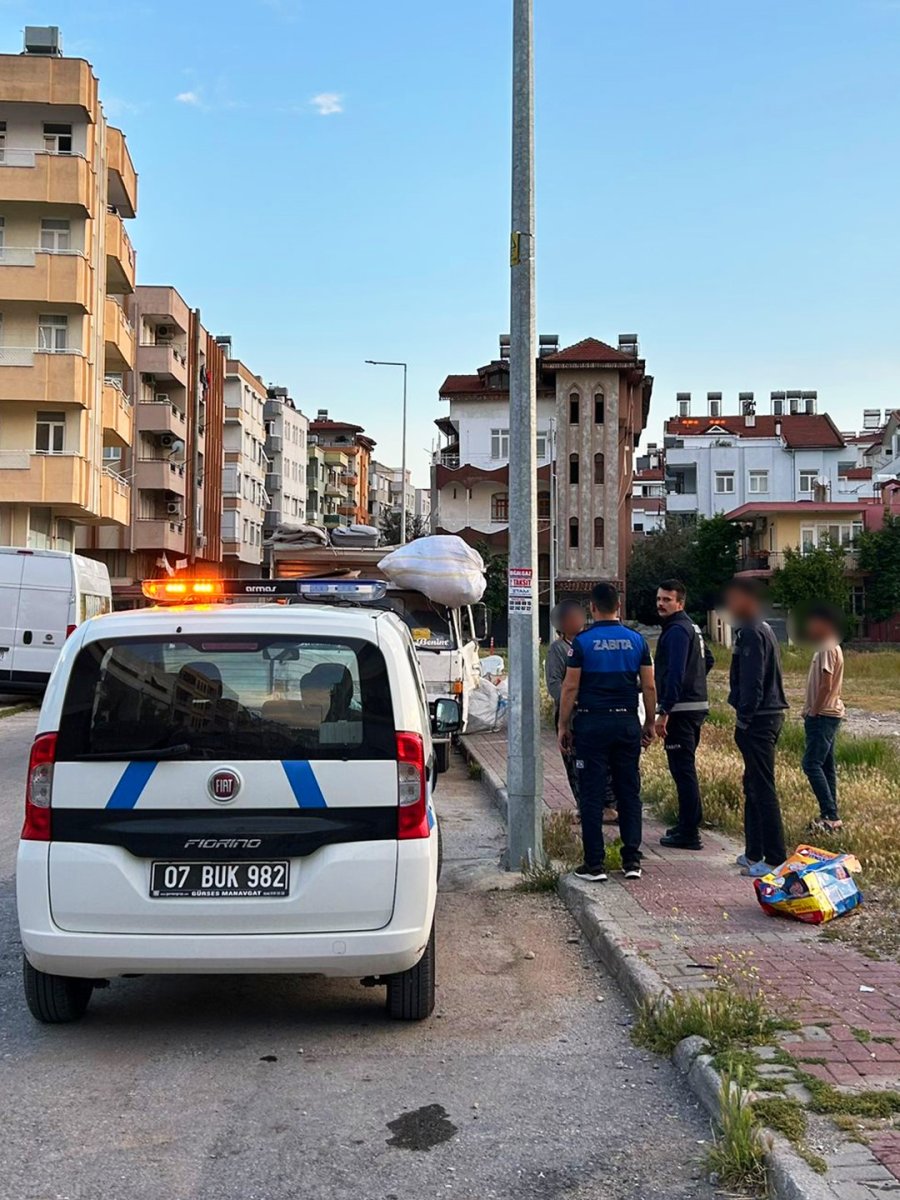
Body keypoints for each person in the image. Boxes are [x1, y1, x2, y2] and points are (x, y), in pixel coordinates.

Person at [558, 582, 656, 882]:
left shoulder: (583, 643)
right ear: (619, 608)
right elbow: (649, 686)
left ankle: (595, 864)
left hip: (591, 724)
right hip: (626, 722)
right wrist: (649, 722)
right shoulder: (637, 641)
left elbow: (571, 686)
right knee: (629, 792)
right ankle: (632, 861)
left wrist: (563, 725)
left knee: (592, 793)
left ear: (593, 608)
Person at [724, 577, 789, 877]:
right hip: (767, 716)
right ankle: (753, 852)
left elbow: (753, 683)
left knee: (762, 787)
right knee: (752, 784)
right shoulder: (759, 628)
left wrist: (744, 718)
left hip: (760, 719)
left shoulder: (751, 632)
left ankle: (774, 858)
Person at [654, 579, 715, 851]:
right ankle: (687, 823)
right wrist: (696, 682)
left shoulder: (677, 630)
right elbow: (708, 660)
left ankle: (690, 832)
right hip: (695, 706)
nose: (661, 603)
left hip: (681, 710)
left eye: (667, 600)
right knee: (684, 768)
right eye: (659, 599)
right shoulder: (691, 627)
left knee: (683, 770)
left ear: (680, 603)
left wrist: (664, 710)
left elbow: (676, 671)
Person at [801, 603, 846, 833]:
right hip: (825, 714)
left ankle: (830, 814)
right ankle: (831, 816)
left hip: (824, 715)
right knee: (826, 765)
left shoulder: (827, 646)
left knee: (810, 764)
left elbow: (826, 684)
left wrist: (814, 710)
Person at [546, 600, 586, 809]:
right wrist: (569, 702)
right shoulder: (558, 650)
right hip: (568, 714)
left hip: (590, 713)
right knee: (573, 761)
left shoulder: (587, 643)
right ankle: (581, 804)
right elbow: (553, 683)